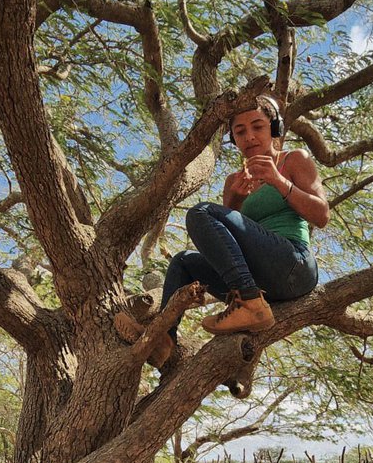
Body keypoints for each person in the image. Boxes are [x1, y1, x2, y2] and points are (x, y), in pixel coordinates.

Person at [116, 95, 329, 367]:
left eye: (258, 127)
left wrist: (278, 181)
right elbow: (223, 246)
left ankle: (250, 306)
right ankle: (163, 342)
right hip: (261, 283)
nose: (249, 136)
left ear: (274, 129)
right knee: (183, 261)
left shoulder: (293, 160)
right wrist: (236, 201)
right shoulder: (234, 182)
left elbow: (321, 216)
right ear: (234, 140)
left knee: (201, 211)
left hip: (293, 266)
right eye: (240, 131)